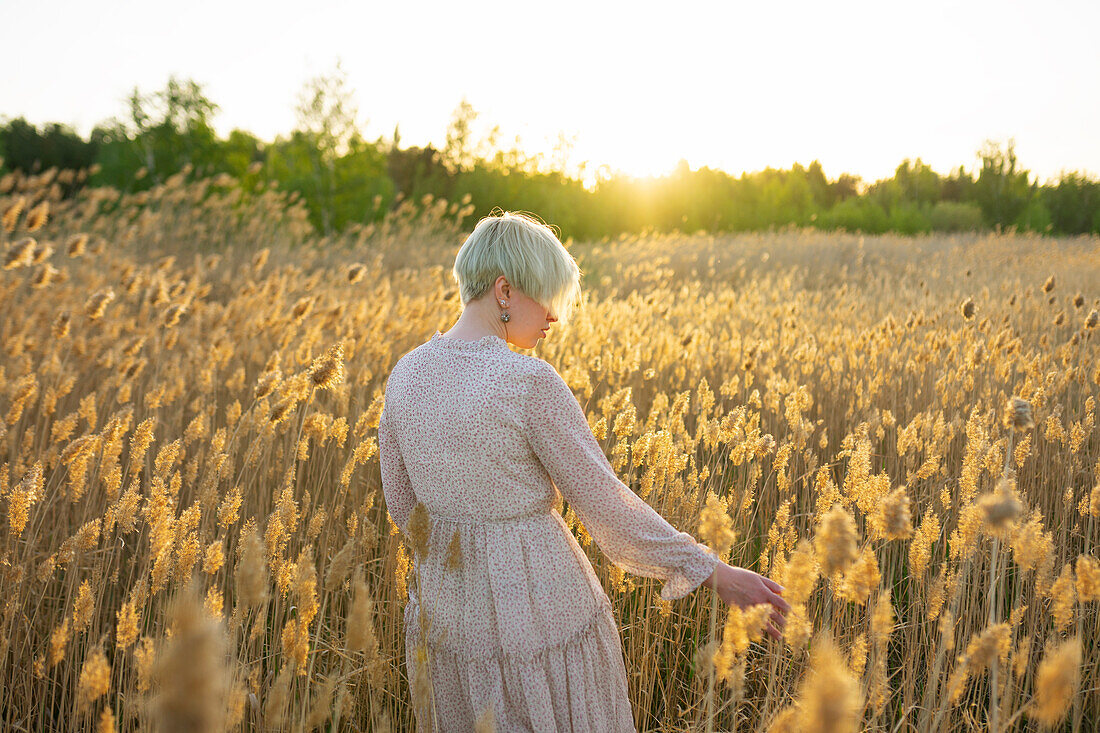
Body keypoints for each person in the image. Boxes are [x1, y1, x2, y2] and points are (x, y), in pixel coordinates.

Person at [379, 211, 790, 732]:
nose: (554, 316)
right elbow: (606, 505)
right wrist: (716, 573)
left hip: (447, 622)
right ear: (504, 290)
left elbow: (401, 506)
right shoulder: (526, 381)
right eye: (546, 295)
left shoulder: (406, 373)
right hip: (542, 619)